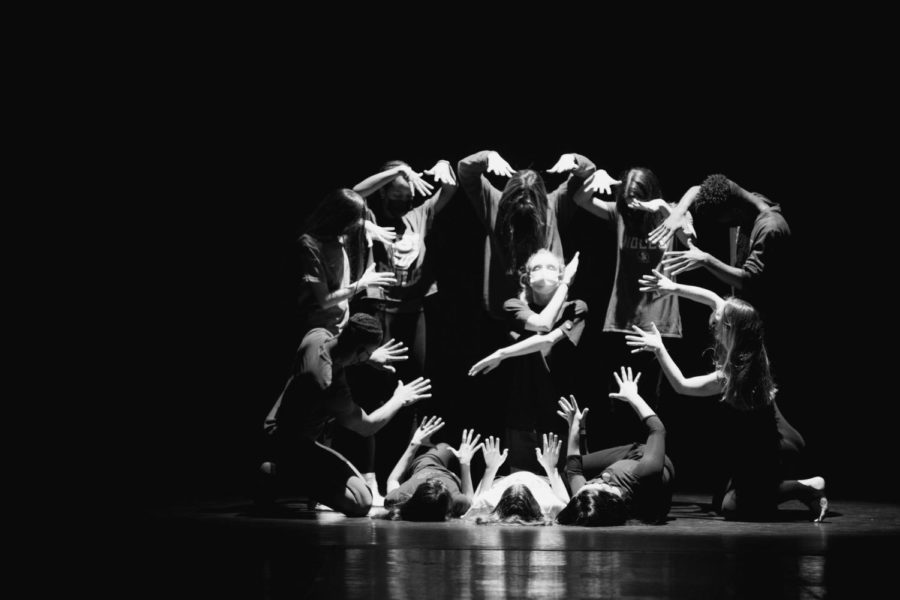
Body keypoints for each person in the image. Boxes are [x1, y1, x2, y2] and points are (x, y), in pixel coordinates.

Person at [628, 270, 827, 522]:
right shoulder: (746, 344)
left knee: (730, 508)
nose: (713, 317)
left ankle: (805, 487)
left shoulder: (737, 374)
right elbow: (712, 298)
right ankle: (773, 489)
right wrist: (672, 288)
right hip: (760, 442)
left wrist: (659, 348)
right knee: (723, 499)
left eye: (719, 319)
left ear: (730, 329)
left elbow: (682, 385)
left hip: (775, 447)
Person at [256, 313, 432, 517]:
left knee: (364, 496)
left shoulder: (316, 336)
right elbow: (367, 426)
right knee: (360, 505)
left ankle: (288, 470)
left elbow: (339, 352)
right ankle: (276, 472)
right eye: (368, 352)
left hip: (277, 427)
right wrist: (399, 399)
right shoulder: (328, 384)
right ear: (358, 351)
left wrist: (368, 357)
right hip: (290, 444)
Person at [572, 166, 696, 415]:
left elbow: (690, 240)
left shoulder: (671, 211)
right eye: (627, 201)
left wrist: (661, 207)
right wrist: (597, 176)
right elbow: (580, 199)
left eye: (637, 200)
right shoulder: (620, 213)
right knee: (620, 399)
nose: (632, 207)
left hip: (660, 323)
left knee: (653, 401)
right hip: (621, 321)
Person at [457, 150, 614, 319]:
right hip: (506, 306)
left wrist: (574, 160)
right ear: (507, 201)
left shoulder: (553, 205)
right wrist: (487, 157)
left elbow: (587, 173)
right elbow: (466, 171)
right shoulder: (493, 203)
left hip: (549, 302)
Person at [468, 249, 586, 472]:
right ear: (526, 277)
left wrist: (501, 353)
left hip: (559, 414)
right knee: (519, 485)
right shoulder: (514, 306)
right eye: (537, 268)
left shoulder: (575, 308)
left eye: (551, 268)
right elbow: (542, 323)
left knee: (560, 486)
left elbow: (547, 338)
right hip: (521, 413)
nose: (544, 272)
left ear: (562, 275)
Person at [555, 368, 675, 526]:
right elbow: (657, 429)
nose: (598, 479)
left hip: (625, 467)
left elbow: (573, 469)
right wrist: (633, 396)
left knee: (570, 469)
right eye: (602, 485)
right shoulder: (645, 474)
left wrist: (576, 426)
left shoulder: (587, 496)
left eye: (589, 485)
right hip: (642, 455)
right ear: (612, 500)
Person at [295, 188, 398, 338]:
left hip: (340, 328)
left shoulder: (340, 236)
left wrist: (366, 225)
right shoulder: (309, 245)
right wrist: (361, 284)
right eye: (355, 220)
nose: (356, 225)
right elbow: (325, 301)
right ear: (341, 219)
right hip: (318, 332)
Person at [384, 418, 480, 521]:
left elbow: (393, 479)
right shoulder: (457, 501)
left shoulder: (398, 499)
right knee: (446, 444)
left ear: (415, 496)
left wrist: (414, 444)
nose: (438, 480)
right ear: (448, 507)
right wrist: (465, 463)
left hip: (427, 464)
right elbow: (469, 498)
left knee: (441, 446)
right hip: (448, 472)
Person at [464, 434, 570, 525]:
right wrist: (551, 469)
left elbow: (476, 502)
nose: (518, 483)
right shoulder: (548, 506)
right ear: (533, 504)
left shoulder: (488, 503)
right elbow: (566, 505)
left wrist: (490, 469)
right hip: (541, 480)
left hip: (503, 480)